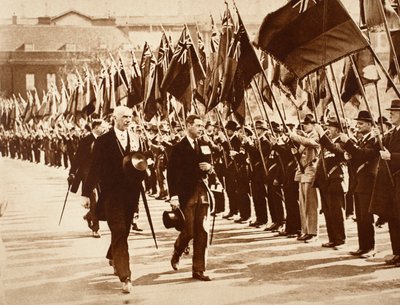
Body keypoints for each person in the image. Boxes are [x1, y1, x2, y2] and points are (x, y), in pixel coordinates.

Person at [82, 106, 142, 293]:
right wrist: (86, 193)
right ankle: (125, 276)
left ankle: (112, 254)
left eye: (130, 117)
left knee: (123, 232)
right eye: (124, 117)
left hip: (131, 194)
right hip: (112, 194)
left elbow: (142, 161)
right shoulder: (103, 140)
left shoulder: (136, 138)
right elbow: (94, 167)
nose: (128, 120)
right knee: (119, 229)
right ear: (114, 118)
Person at [167, 114, 213, 281]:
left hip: (203, 193)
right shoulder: (178, 148)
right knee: (189, 231)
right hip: (186, 195)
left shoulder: (205, 145)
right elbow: (171, 174)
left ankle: (198, 269)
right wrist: (173, 196)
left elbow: (210, 168)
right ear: (188, 126)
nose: (201, 129)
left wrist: (209, 167)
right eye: (198, 125)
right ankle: (177, 250)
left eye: (202, 126)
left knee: (202, 231)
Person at [340, 110, 379, 258]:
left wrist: (348, 143)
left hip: (368, 181)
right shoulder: (363, 140)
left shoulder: (375, 140)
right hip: (358, 181)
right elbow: (357, 157)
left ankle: (370, 248)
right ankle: (363, 246)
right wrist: (349, 156)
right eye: (357, 123)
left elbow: (364, 155)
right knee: (360, 217)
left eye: (361, 123)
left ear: (370, 124)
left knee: (367, 217)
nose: (358, 126)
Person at [370, 100, 400, 266]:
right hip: (390, 181)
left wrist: (392, 157)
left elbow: (390, 154)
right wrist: (377, 137)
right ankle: (397, 252)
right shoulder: (392, 132)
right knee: (393, 217)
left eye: (394, 112)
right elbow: (378, 149)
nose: (390, 114)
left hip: (399, 178)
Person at [68, 119, 106, 238]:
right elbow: (77, 157)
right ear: (95, 128)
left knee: (103, 201)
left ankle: (89, 216)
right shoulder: (85, 141)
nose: (104, 128)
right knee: (93, 200)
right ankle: (95, 228)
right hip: (88, 175)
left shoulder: (105, 140)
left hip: (102, 175)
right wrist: (72, 172)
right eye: (102, 127)